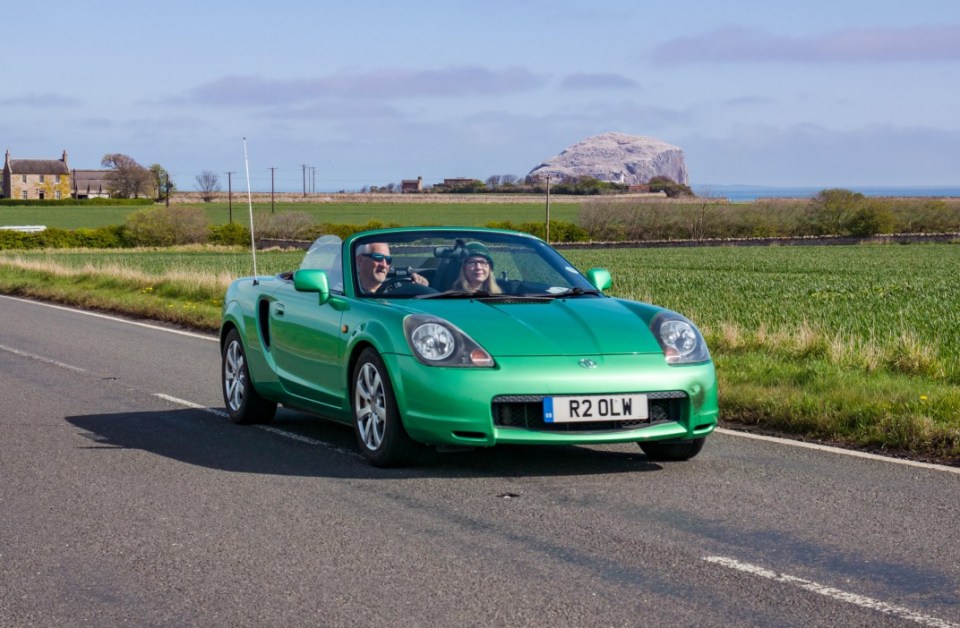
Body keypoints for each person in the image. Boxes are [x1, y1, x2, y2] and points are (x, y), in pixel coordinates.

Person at [355, 242, 427, 294]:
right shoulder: (350, 292)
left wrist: (421, 288)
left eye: (388, 260)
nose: (384, 265)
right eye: (378, 258)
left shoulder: (397, 290)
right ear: (360, 261)